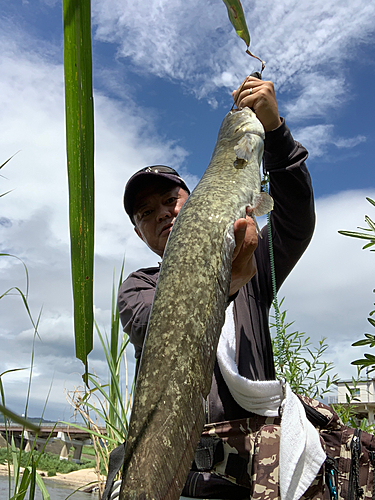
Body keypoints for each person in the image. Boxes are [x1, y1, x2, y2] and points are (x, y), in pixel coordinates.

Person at [117, 76, 315, 498]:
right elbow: (157, 322)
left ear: (196, 196)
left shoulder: (253, 258)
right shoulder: (138, 286)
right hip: (181, 483)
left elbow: (296, 221)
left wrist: (276, 135)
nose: (163, 214)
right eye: (146, 213)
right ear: (139, 233)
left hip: (255, 479)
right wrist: (224, 286)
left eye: (171, 200)